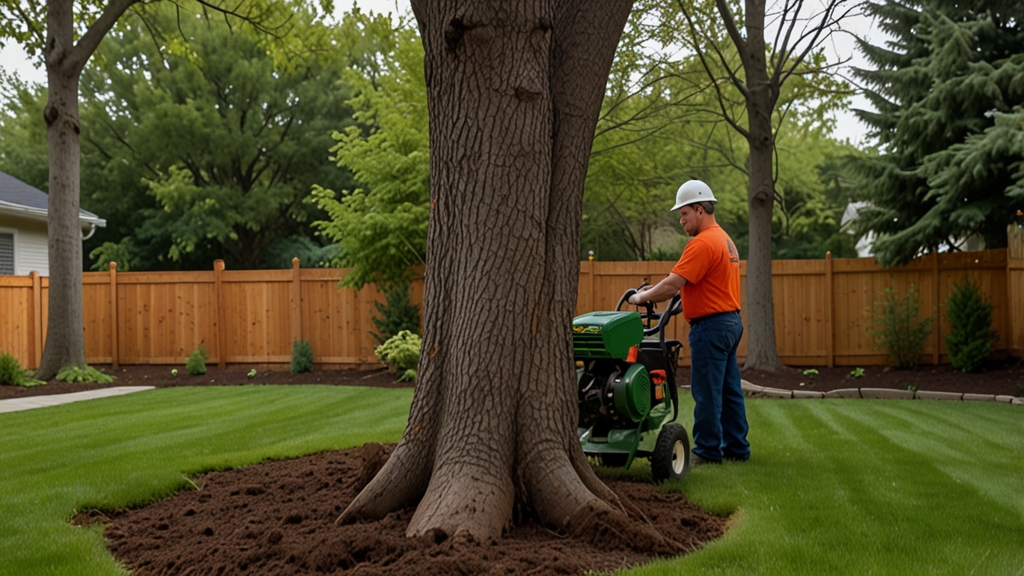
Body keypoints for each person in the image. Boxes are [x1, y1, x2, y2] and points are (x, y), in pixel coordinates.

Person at [627, 179, 749, 465]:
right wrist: (668, 294)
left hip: (711, 328)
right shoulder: (725, 240)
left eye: (684, 213)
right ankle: (736, 448)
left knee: (707, 392)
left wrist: (640, 297)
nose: (681, 220)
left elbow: (673, 284)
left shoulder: (702, 243)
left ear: (699, 210)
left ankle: (706, 451)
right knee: (729, 390)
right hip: (730, 322)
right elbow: (699, 284)